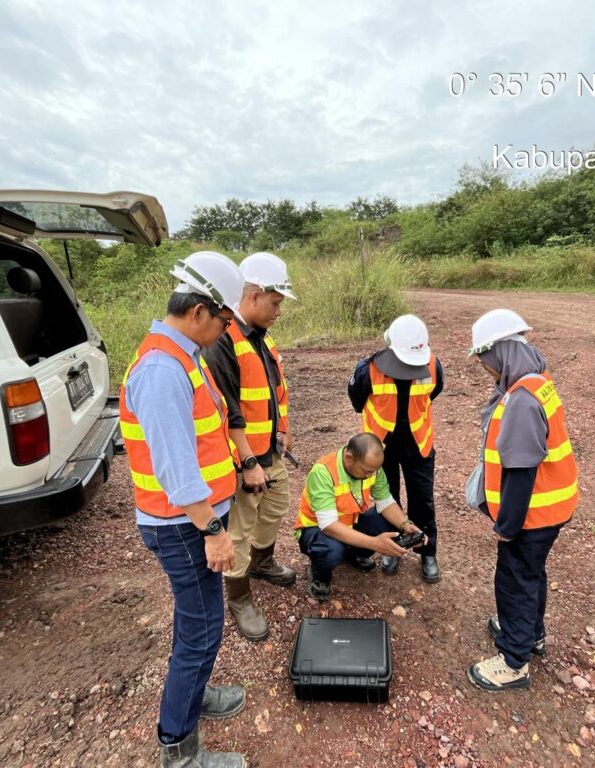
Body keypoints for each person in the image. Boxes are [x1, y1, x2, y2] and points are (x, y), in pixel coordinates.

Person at [118, 251, 248, 767]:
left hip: (189, 522)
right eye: (223, 320)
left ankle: (194, 697)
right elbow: (176, 472)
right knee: (201, 632)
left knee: (198, 622)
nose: (226, 330)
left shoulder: (182, 353)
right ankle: (179, 747)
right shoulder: (161, 368)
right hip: (183, 526)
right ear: (199, 311)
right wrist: (214, 529)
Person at [464, 309, 579, 693]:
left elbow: (520, 470)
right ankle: (530, 634)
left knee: (514, 581)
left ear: (499, 353)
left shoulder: (522, 401)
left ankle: (514, 661)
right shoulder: (538, 381)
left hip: (532, 515)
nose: (486, 370)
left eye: (486, 362)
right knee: (531, 575)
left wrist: (507, 527)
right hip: (551, 507)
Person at [203, 252, 297, 642]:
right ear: (254, 295)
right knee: (239, 529)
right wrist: (247, 462)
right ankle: (239, 597)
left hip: (268, 452)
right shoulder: (224, 340)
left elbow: (273, 391)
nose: (278, 311)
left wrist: (285, 428)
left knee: (275, 507)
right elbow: (229, 410)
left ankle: (263, 562)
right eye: (275, 303)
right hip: (244, 459)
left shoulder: (261, 337)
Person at [348, 314, 444, 582]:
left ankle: (427, 551)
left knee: (422, 500)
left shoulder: (434, 365)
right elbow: (357, 401)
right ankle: (393, 547)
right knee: (387, 498)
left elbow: (433, 393)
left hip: (419, 445)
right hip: (381, 449)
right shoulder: (367, 369)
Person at [294, 432, 425, 600]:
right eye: (367, 471)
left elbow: (386, 502)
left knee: (389, 522)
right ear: (349, 458)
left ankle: (354, 555)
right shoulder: (323, 472)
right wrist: (374, 543)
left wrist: (405, 524)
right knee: (332, 550)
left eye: (374, 471)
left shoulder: (372, 469)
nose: (371, 475)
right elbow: (328, 525)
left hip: (349, 523)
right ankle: (320, 574)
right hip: (316, 530)